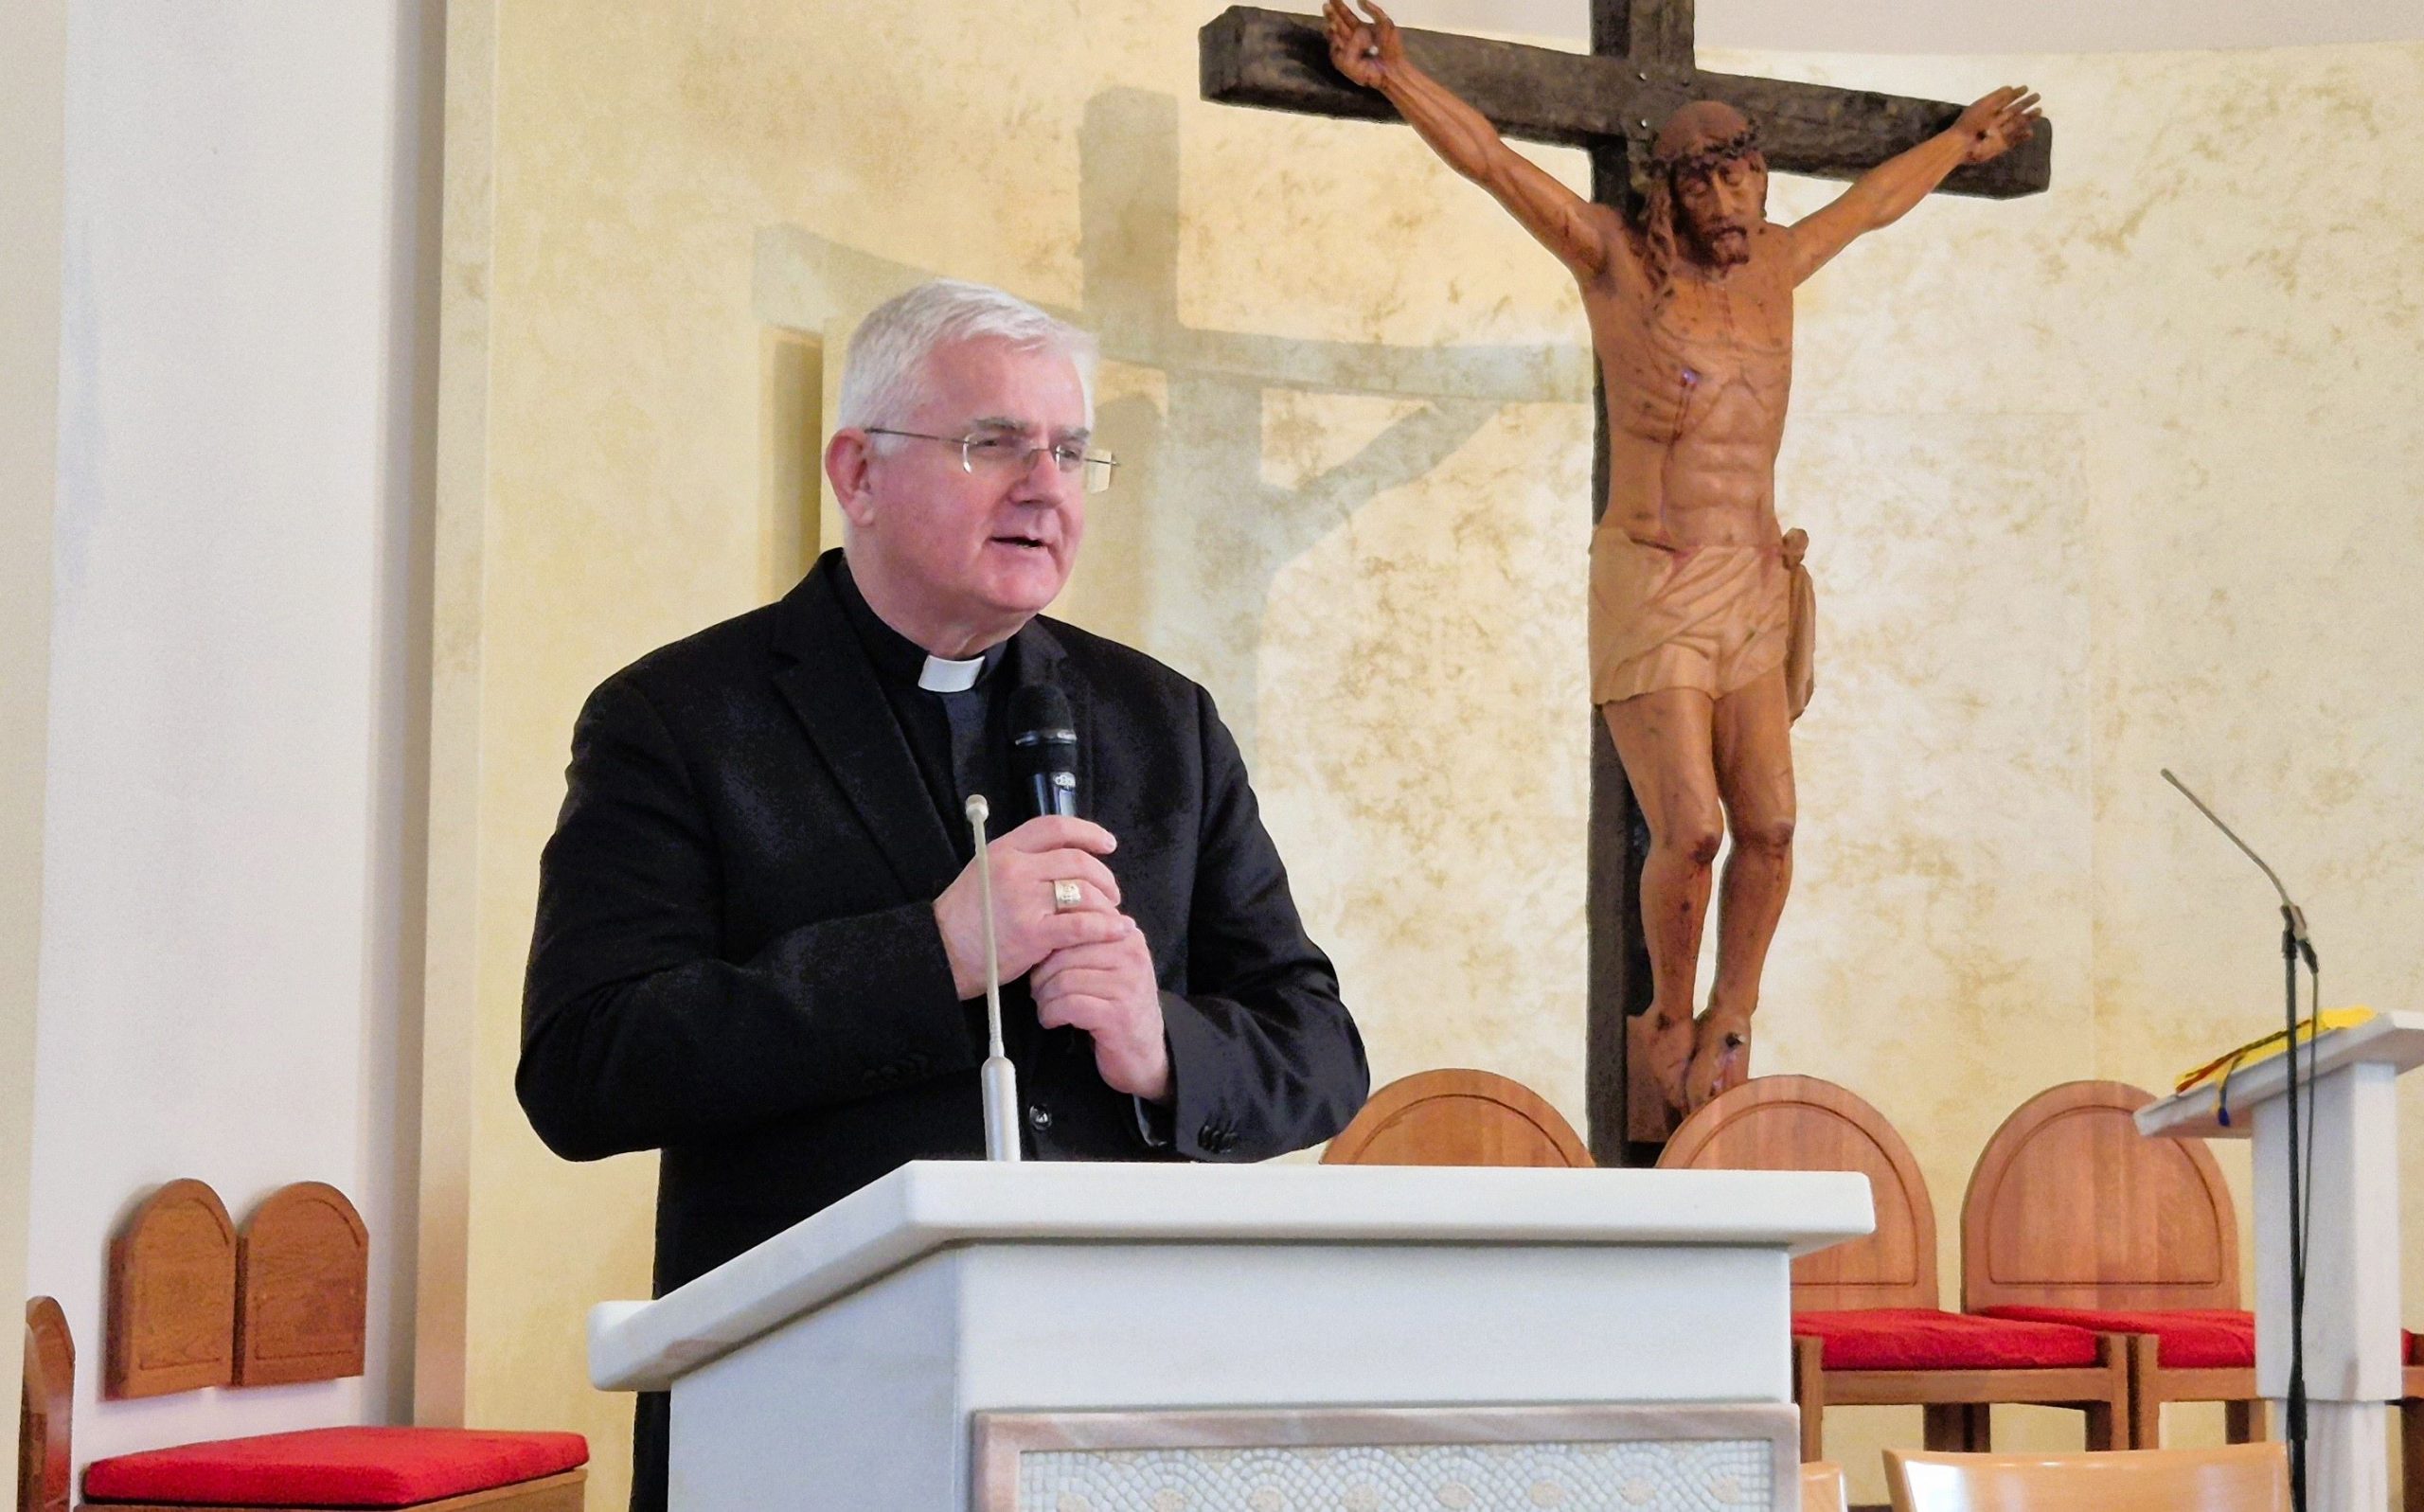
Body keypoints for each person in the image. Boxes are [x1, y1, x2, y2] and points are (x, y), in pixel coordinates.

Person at [516, 278, 1370, 1511]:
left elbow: (1320, 1047)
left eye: (1070, 451)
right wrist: (931, 956)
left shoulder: (1161, 722)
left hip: (1121, 1406)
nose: (1044, 486)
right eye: (994, 443)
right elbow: (584, 1066)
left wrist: (1163, 1049)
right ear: (857, 472)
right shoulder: (679, 718)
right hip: (807, 1414)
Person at [1323, 0, 2040, 1119]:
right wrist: (1395, 77)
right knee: (1693, 828)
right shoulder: (1616, 261)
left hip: (1749, 581)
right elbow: (1495, 165)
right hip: (1655, 576)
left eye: (1741, 181)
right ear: (1669, 194)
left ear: (1760, 181)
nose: (1728, 204)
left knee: (1773, 826)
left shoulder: (1779, 263)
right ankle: (1665, 1013)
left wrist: (1958, 143)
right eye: (1703, 187)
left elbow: (1870, 204)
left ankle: (1732, 1009)